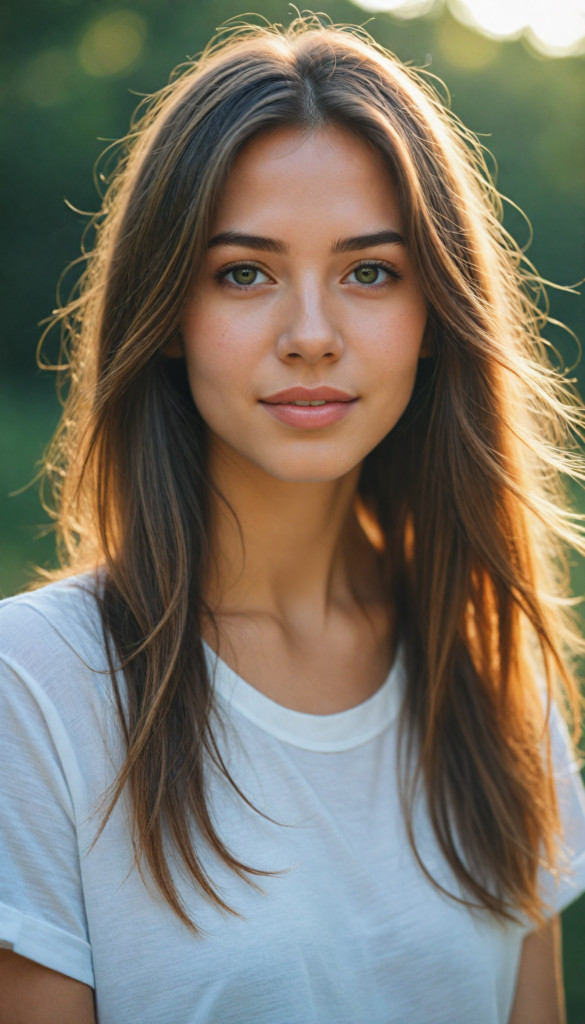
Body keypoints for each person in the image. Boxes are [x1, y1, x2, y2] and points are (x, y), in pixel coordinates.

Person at [1, 17, 584, 1024]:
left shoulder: (489, 660)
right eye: (244, 272)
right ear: (168, 314)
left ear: (435, 311)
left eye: (370, 272)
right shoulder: (34, 692)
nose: (311, 335)